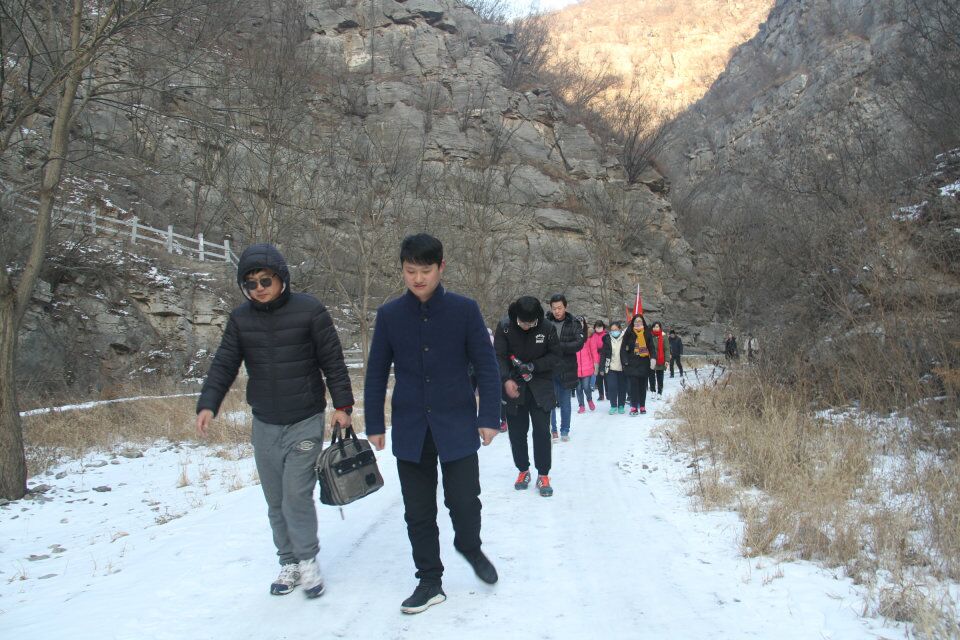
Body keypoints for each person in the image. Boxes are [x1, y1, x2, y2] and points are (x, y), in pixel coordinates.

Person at [195, 243, 354, 599]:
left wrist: (342, 405)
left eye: (265, 280)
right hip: (265, 423)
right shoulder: (241, 319)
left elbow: (332, 360)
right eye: (250, 283)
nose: (259, 288)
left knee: (296, 495)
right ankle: (288, 562)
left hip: (305, 419)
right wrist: (208, 403)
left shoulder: (309, 310)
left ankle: (307, 560)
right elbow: (224, 363)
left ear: (281, 278)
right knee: (276, 500)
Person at [364, 234, 501, 615]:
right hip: (411, 426)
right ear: (402, 270)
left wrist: (489, 417)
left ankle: (470, 546)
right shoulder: (390, 315)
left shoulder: (464, 310)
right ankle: (429, 580)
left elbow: (487, 367)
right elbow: (376, 373)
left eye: (425, 270)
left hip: (457, 422)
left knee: (464, 501)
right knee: (418, 511)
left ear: (441, 267)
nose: (418, 278)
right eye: (410, 271)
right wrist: (374, 422)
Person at [494, 296, 561, 497]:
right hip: (514, 386)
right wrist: (506, 379)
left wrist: (534, 366)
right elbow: (499, 357)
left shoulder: (547, 327)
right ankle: (523, 470)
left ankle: (543, 474)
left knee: (542, 432)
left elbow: (555, 356)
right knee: (517, 433)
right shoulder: (505, 327)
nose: (526, 326)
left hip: (541, 386)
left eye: (530, 323)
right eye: (523, 322)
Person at [543, 294, 586, 442]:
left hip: (566, 368)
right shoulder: (545, 322)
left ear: (565, 307)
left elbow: (579, 343)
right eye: (554, 308)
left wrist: (559, 346)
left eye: (559, 308)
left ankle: (565, 430)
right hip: (548, 368)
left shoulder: (573, 323)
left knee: (565, 402)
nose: (557, 311)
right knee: (549, 401)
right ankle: (553, 430)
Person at [622, 314, 653, 415]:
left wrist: (653, 358)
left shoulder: (647, 333)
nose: (637, 323)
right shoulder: (629, 332)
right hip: (632, 363)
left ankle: (642, 406)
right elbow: (623, 348)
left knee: (643, 386)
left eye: (639, 321)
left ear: (643, 322)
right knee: (633, 386)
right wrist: (625, 360)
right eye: (636, 321)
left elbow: (651, 347)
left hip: (644, 362)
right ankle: (634, 407)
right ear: (633, 323)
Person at [600, 321, 627, 414]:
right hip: (610, 368)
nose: (614, 332)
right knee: (612, 387)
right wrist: (601, 368)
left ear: (620, 329)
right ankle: (613, 405)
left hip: (622, 368)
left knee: (622, 388)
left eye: (616, 329)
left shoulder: (625, 338)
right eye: (612, 330)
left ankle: (621, 405)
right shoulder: (607, 339)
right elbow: (603, 354)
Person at [575, 319, 598, 413]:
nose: (579, 324)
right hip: (575, 368)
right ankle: (581, 405)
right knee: (578, 388)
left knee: (586, 387)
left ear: (584, 323)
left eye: (581, 322)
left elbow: (594, 351)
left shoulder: (588, 337)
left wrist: (595, 364)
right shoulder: (572, 336)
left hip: (587, 366)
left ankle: (589, 399)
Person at [647, 321, 670, 399]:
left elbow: (667, 349)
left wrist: (667, 360)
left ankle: (660, 392)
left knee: (660, 376)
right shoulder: (649, 335)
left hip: (661, 359)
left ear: (660, 327)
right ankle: (653, 391)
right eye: (654, 327)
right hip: (651, 359)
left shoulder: (664, 336)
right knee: (651, 376)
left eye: (657, 327)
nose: (655, 328)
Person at [587, 321, 607, 401]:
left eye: (600, 327)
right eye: (597, 327)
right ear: (595, 328)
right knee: (598, 378)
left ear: (603, 327)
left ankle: (608, 392)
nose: (598, 328)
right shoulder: (593, 336)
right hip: (596, 359)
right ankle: (601, 394)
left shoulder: (606, 335)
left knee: (606, 377)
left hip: (605, 358)